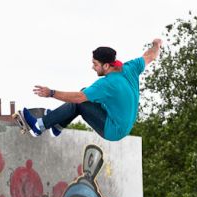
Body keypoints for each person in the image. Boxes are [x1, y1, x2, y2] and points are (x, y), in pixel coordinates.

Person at [20, 39, 162, 141]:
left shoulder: (108, 84)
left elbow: (78, 98)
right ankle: (58, 124)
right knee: (85, 91)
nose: (92, 67)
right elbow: (150, 55)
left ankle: (39, 126)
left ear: (106, 66)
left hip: (113, 130)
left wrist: (51, 93)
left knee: (80, 101)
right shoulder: (131, 67)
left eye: (95, 64)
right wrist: (157, 43)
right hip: (123, 124)